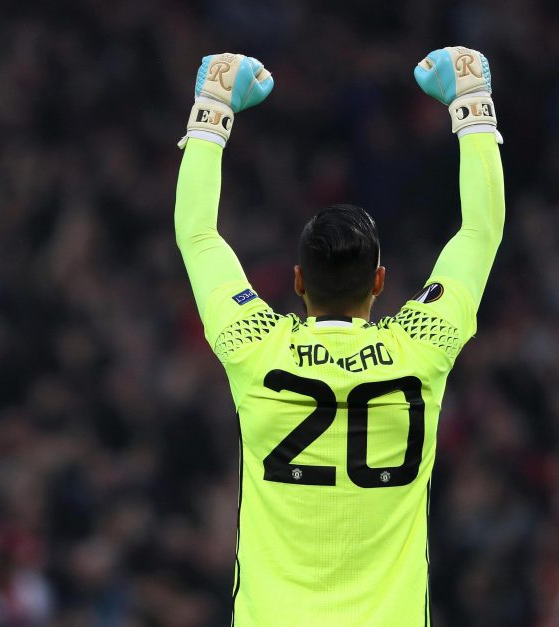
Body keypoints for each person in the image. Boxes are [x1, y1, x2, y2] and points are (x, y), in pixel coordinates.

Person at [174, 46, 505, 626]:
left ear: (297, 280)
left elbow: (198, 234)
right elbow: (480, 232)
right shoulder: (420, 346)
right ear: (380, 280)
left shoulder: (255, 347)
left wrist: (213, 105)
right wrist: (472, 101)